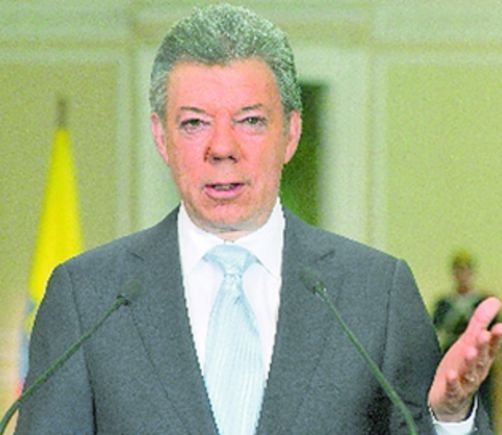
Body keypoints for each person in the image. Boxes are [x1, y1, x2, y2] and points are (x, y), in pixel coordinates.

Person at [15, 4, 502, 434]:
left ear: (290, 133)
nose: (222, 148)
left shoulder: (376, 294)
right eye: (194, 123)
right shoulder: (87, 298)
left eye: (249, 121)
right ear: (161, 137)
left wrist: (449, 419)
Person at [433, 250, 497, 419]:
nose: (462, 275)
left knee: (482, 401)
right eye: (458, 270)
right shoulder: (444, 303)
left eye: (465, 270)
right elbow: (437, 329)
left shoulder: (483, 301)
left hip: (478, 357)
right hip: (453, 357)